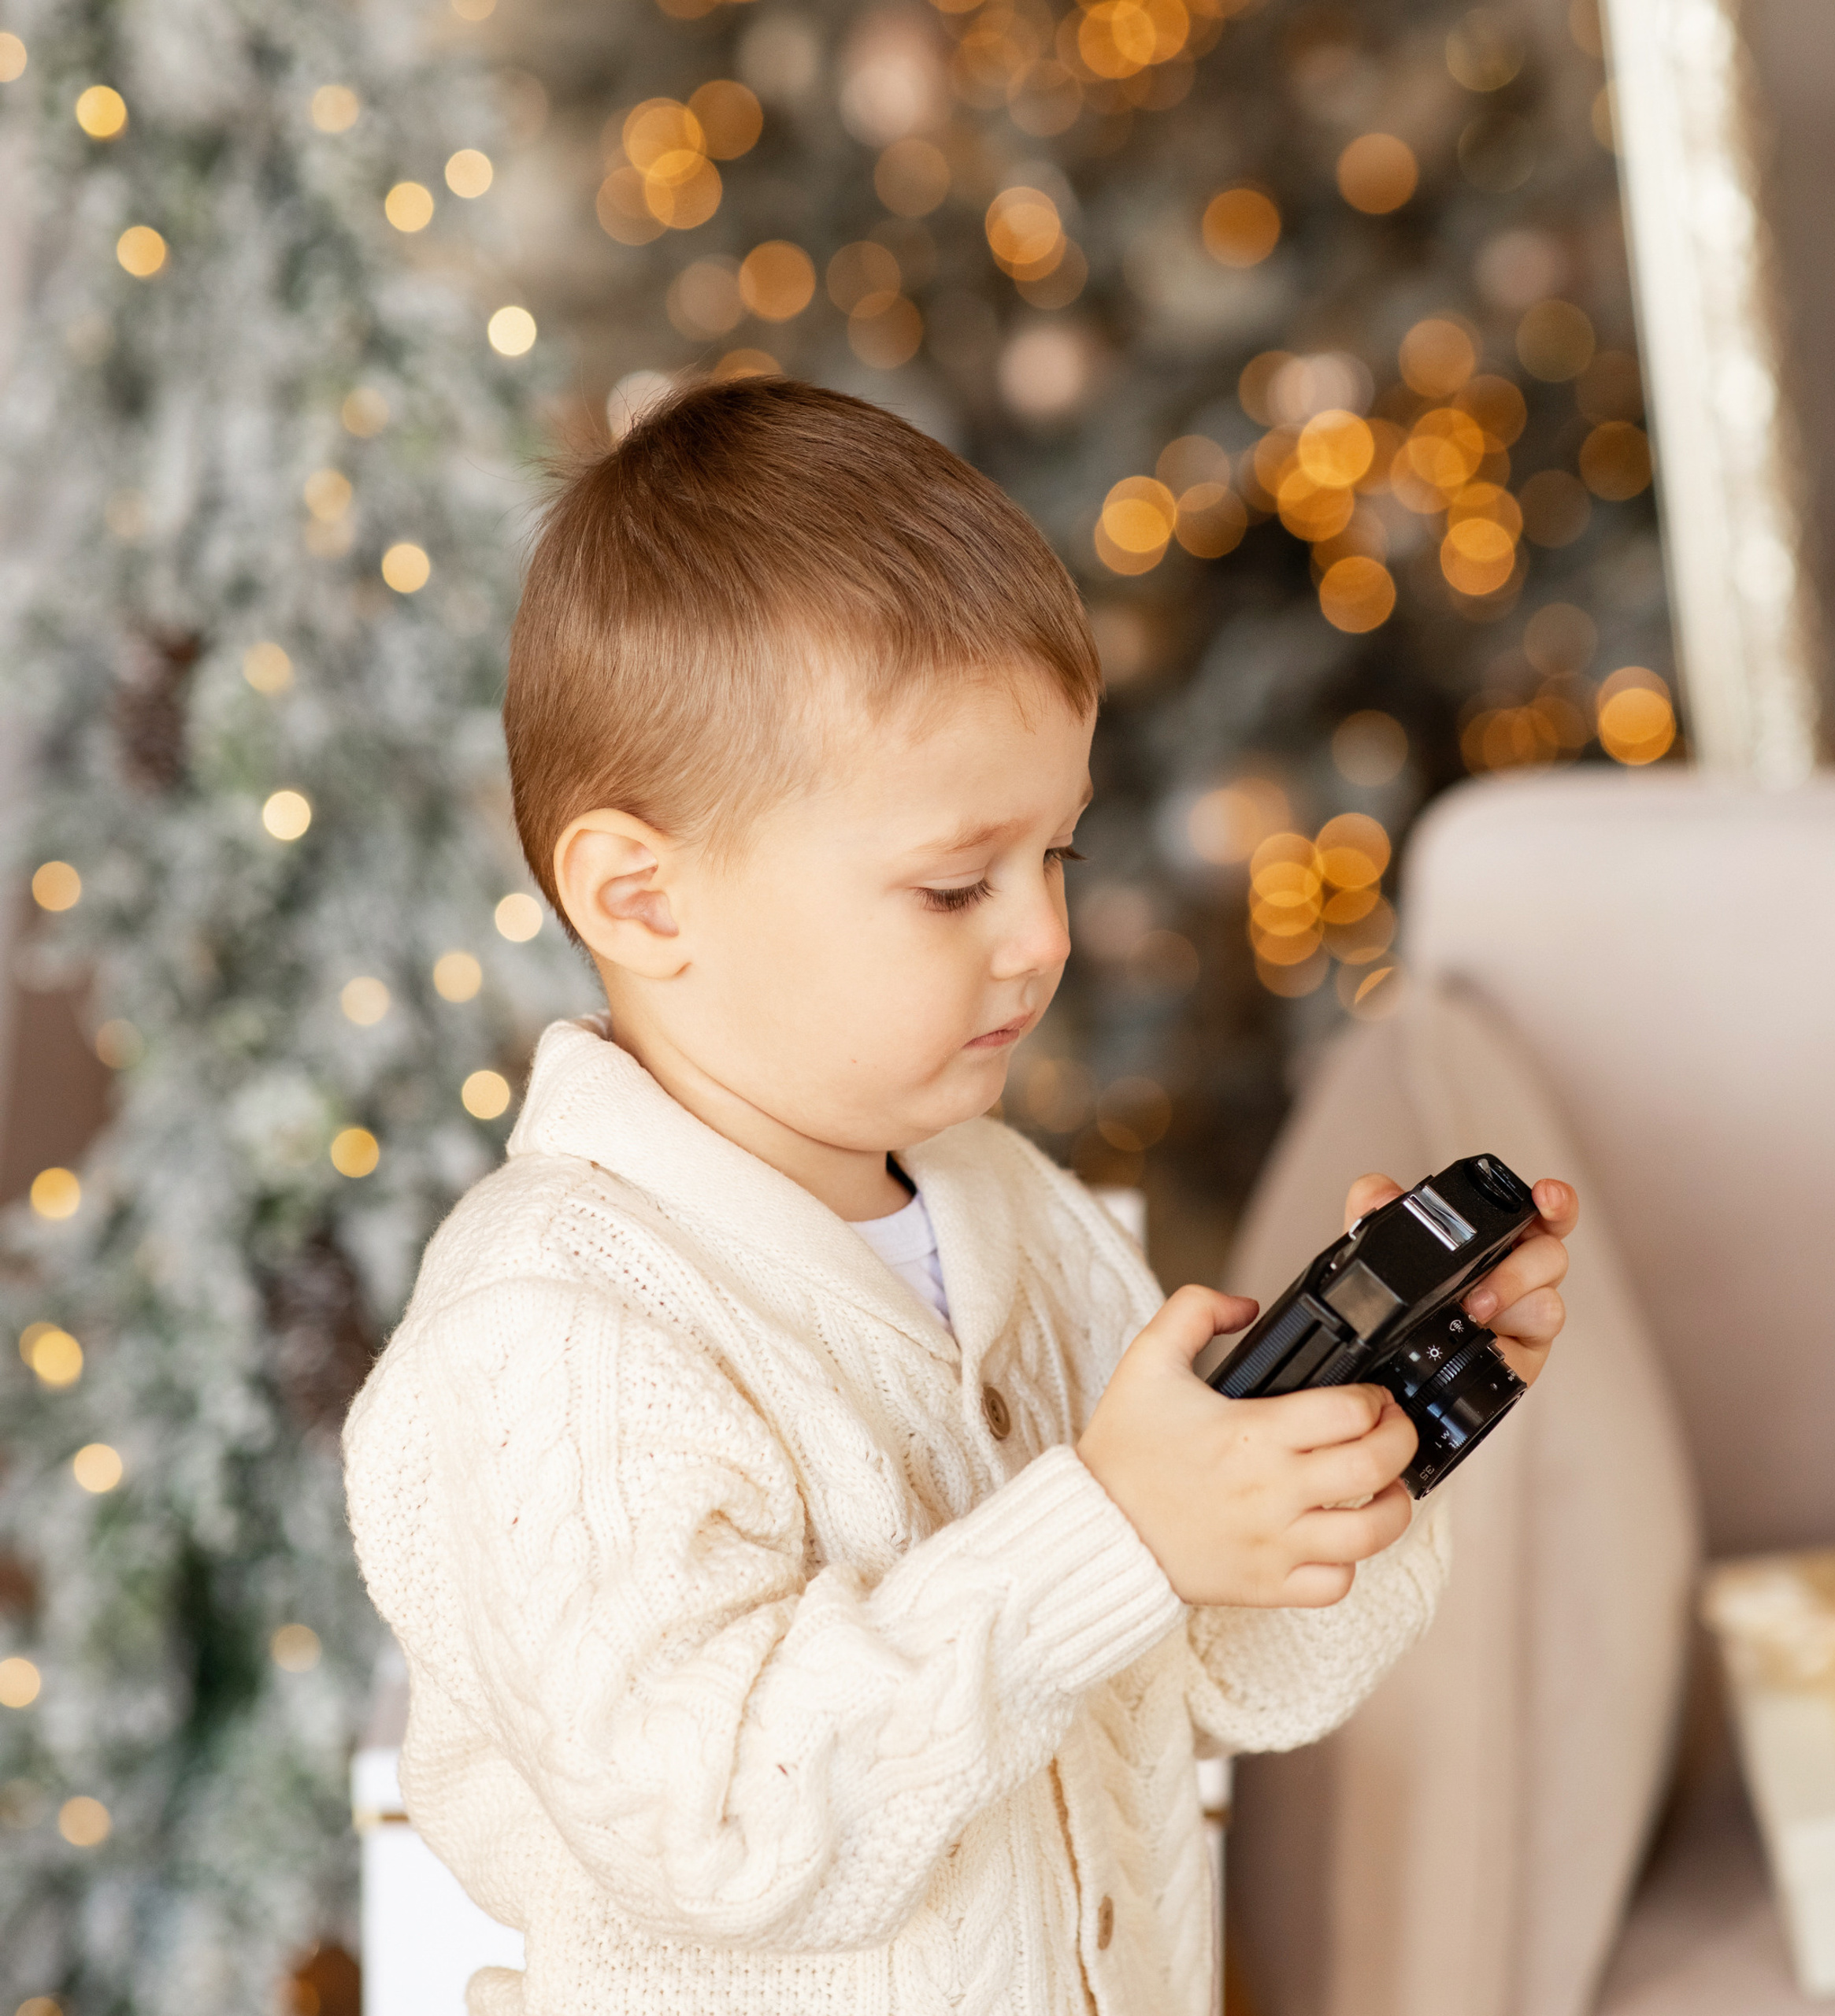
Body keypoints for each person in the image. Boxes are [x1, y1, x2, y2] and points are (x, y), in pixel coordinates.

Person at [341, 378, 1577, 2016]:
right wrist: (1116, 1524)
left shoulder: (1018, 1216)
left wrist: (1365, 1442)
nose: (1043, 935)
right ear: (641, 896)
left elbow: (1221, 1672)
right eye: (953, 882)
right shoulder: (549, 1334)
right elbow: (727, 1828)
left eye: (1053, 856)